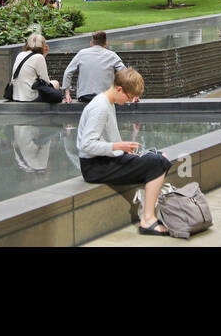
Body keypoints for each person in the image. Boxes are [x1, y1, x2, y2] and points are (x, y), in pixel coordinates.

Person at [77, 67, 172, 236]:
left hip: (105, 161)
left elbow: (109, 141)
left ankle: (148, 212)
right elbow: (86, 145)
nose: (128, 101)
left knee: (161, 156)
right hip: (95, 167)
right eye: (128, 97)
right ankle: (148, 220)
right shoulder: (100, 107)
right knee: (158, 162)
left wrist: (123, 151)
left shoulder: (108, 103)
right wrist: (117, 147)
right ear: (119, 88)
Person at [62, 31, 125, 103]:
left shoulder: (82, 53)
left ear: (91, 43)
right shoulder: (112, 55)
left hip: (85, 96)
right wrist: (132, 93)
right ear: (105, 45)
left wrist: (67, 94)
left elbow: (68, 72)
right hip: (106, 97)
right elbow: (125, 74)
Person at [10, 33, 60, 102]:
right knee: (55, 83)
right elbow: (46, 82)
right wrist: (44, 55)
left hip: (16, 96)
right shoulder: (39, 57)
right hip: (30, 97)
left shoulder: (20, 54)